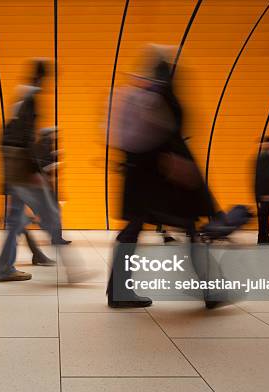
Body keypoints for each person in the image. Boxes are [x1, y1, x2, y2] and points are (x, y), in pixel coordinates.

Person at [108, 47, 216, 308]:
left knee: (131, 231)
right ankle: (212, 291)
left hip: (138, 176)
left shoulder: (139, 95)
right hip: (163, 179)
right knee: (190, 230)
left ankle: (118, 291)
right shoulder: (164, 95)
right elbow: (173, 137)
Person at [0, 59, 65, 281]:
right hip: (22, 168)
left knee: (16, 219)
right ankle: (7, 267)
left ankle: (6, 267)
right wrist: (35, 170)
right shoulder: (31, 98)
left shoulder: (20, 97)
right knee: (47, 213)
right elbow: (27, 137)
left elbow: (7, 135)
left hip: (13, 167)